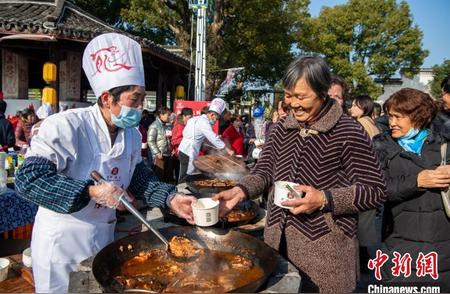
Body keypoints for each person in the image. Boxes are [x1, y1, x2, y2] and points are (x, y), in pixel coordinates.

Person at [15, 33, 196, 293]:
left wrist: (171, 199)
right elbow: (28, 180)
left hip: (104, 239)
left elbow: (138, 177)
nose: (140, 106)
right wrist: (91, 191)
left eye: (143, 99)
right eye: (134, 99)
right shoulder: (66, 126)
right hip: (62, 243)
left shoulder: (132, 134)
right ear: (106, 99)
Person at [213, 56, 387, 292]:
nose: (293, 104)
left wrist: (325, 199)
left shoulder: (348, 131)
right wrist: (240, 191)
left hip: (326, 255)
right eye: (288, 95)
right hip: (276, 244)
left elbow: (375, 190)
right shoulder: (282, 128)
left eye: (301, 97)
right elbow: (263, 171)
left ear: (323, 92)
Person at [373, 88, 450, 290]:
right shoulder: (382, 146)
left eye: (398, 117)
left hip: (442, 250)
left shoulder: (444, 145)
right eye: (390, 116)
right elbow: (376, 190)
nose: (392, 123)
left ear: (418, 116)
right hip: (399, 248)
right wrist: (417, 181)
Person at [178, 98, 233, 183]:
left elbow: (187, 133)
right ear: (212, 115)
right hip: (188, 151)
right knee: (186, 175)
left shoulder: (195, 119)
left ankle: (183, 189)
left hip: (184, 149)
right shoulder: (204, 122)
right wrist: (227, 149)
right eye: (216, 118)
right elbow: (213, 138)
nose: (216, 121)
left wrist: (202, 143)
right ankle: (180, 192)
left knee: (185, 173)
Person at [147, 107, 172, 181]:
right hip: (159, 155)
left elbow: (169, 138)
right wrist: (157, 153)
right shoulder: (154, 125)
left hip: (168, 153)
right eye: (168, 115)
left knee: (167, 176)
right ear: (161, 115)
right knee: (159, 176)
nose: (169, 117)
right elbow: (150, 141)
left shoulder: (168, 125)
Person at [171, 108, 193, 182]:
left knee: (183, 175)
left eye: (192, 117)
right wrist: (186, 139)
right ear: (184, 116)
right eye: (189, 117)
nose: (191, 119)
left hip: (185, 153)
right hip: (179, 154)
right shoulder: (179, 126)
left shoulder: (185, 125)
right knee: (181, 176)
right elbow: (174, 141)